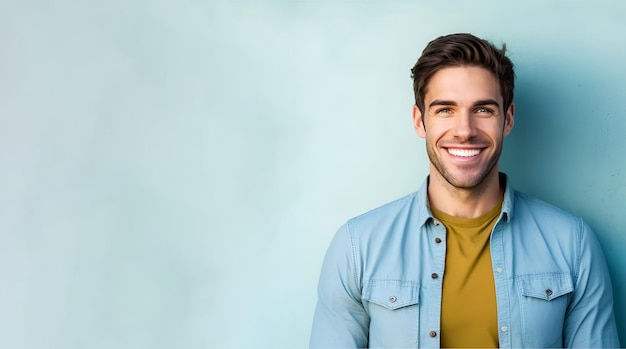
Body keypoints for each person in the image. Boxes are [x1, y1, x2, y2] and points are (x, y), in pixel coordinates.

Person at [309, 33, 619, 348]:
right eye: (445, 109)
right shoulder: (357, 247)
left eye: (483, 110)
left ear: (507, 119)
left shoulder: (572, 244)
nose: (465, 131)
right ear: (420, 121)